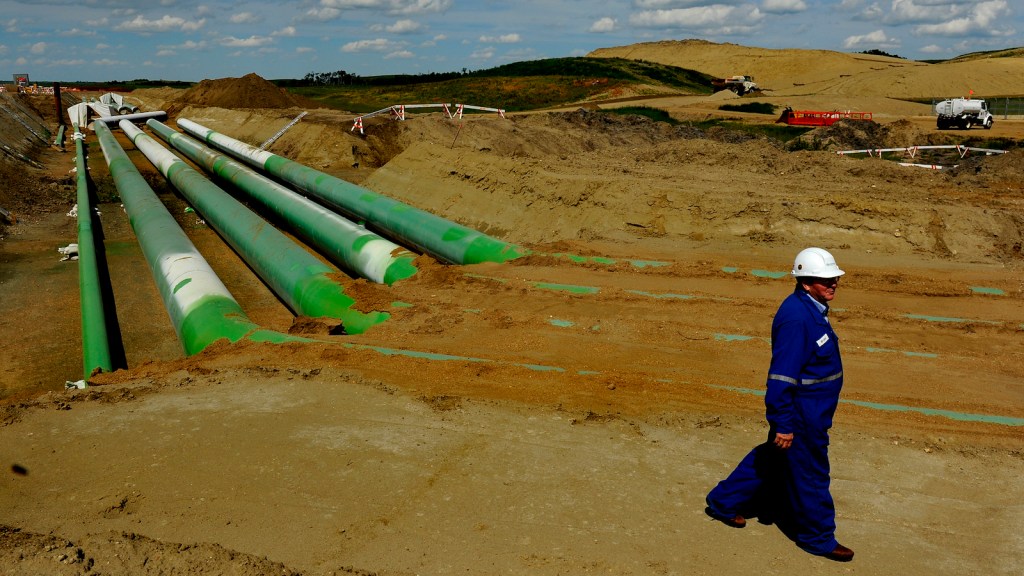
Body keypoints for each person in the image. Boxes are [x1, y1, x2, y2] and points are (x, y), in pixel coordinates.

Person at [704, 247, 854, 562]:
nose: (833, 284)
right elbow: (781, 379)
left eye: (834, 278)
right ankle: (818, 538)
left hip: (810, 413)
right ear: (805, 281)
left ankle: (723, 501)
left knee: (772, 461)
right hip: (802, 416)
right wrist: (785, 424)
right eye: (824, 279)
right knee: (812, 473)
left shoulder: (812, 308)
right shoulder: (797, 318)